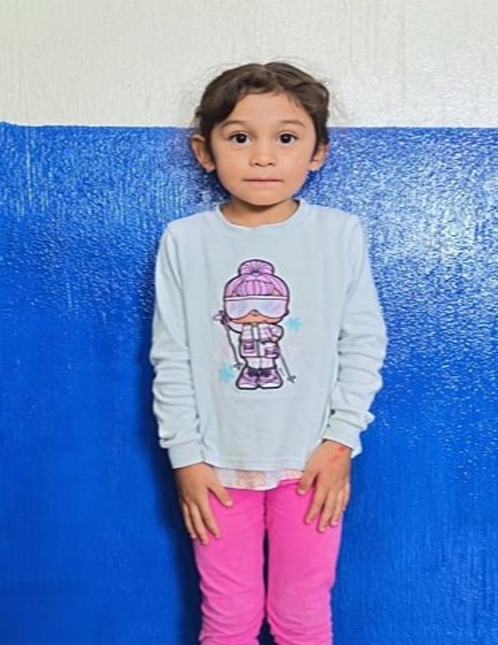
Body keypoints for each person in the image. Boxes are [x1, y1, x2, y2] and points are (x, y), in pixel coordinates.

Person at [150, 62, 387, 644]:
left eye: (285, 137)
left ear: (318, 152)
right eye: (239, 137)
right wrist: (186, 458)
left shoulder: (338, 234)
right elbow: (171, 355)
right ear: (204, 152)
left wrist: (340, 442)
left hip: (312, 467)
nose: (262, 157)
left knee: (302, 616)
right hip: (215, 469)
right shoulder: (185, 241)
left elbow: (363, 342)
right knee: (227, 618)